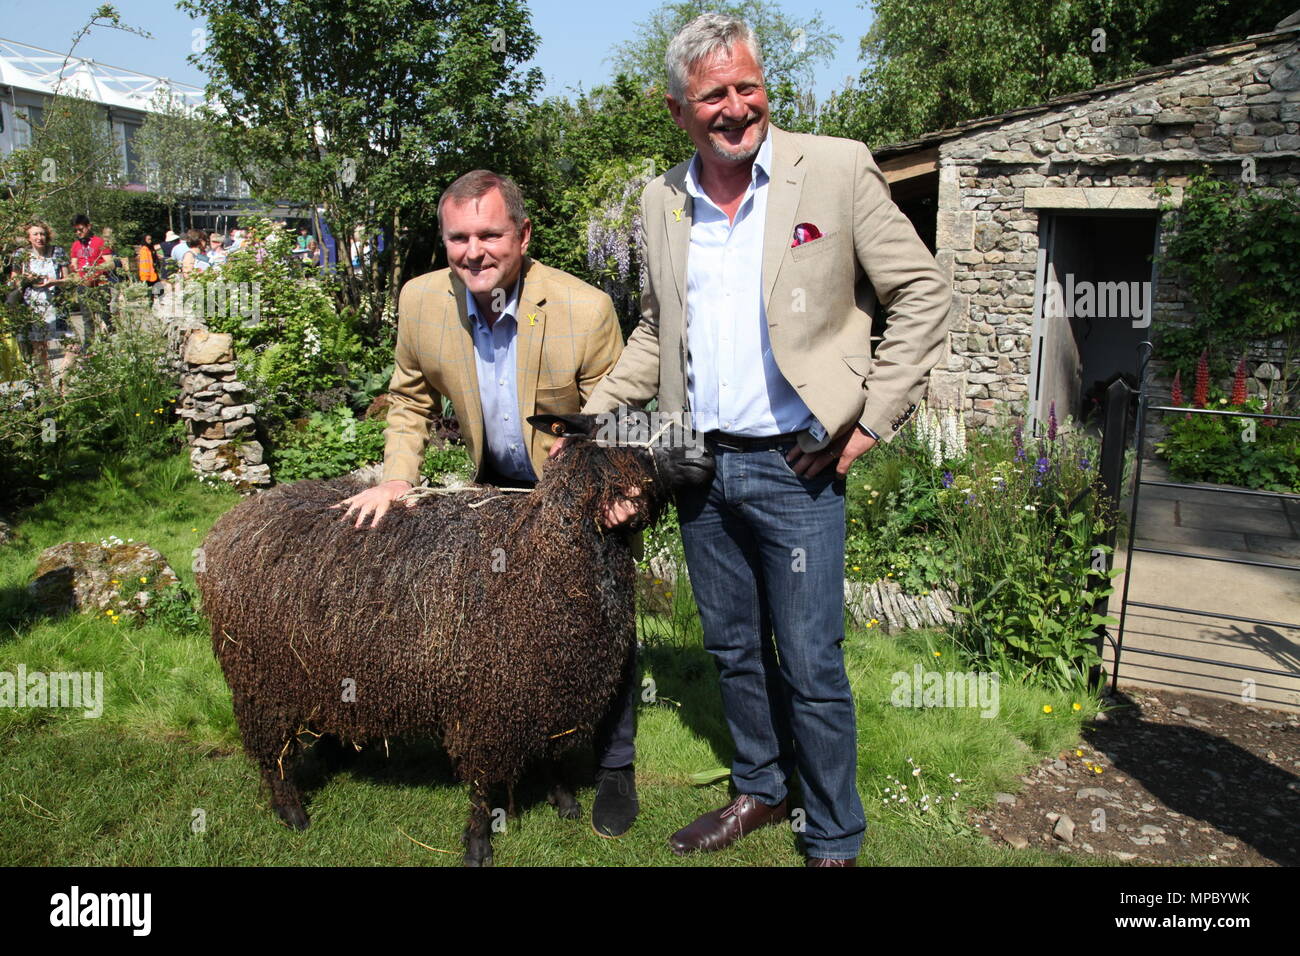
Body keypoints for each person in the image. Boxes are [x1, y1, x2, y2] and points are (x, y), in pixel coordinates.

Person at [574, 14, 952, 866]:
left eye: (748, 87)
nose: (737, 107)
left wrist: (867, 423)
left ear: (765, 88)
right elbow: (654, 331)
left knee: (812, 665)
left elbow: (922, 294)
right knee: (732, 649)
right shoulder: (661, 198)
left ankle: (836, 836)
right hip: (701, 466)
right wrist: (595, 421)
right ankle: (760, 789)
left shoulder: (839, 168)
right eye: (714, 95)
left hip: (798, 466)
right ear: (678, 110)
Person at [330, 169, 641, 837]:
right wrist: (395, 477)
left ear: (523, 235)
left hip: (575, 494)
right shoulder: (420, 300)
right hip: (490, 494)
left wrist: (616, 497)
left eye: (491, 234)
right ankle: (504, 739)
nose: (475, 250)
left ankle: (612, 764)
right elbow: (410, 399)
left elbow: (621, 424)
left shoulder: (585, 310)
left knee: (597, 626)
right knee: (499, 632)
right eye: (459, 237)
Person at [8, 220, 73, 379]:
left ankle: (63, 384)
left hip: (57, 305)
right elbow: (13, 281)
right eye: (35, 234)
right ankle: (48, 394)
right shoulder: (21, 255)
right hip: (33, 307)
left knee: (73, 347)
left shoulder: (58, 252)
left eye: (42, 234)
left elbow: (69, 279)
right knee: (39, 350)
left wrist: (54, 281)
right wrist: (25, 279)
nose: (39, 237)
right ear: (28, 237)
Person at [69, 214, 113, 340]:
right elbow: (74, 262)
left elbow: (110, 263)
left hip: (100, 285)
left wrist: (95, 271)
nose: (78, 232)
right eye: (75, 230)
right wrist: (75, 269)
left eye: (81, 229)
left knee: (105, 316)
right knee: (87, 318)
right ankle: (89, 348)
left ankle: (107, 344)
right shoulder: (76, 245)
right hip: (84, 286)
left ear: (89, 227)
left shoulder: (100, 242)